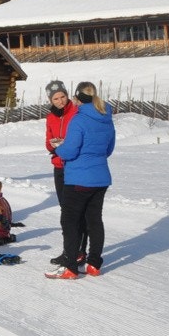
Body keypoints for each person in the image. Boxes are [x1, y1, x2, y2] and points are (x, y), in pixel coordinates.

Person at [47, 81, 115, 279]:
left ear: (77, 98)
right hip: (101, 177)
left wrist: (59, 148)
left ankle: (70, 266)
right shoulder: (106, 118)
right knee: (94, 220)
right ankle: (94, 264)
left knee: (69, 220)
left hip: (78, 177)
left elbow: (70, 151)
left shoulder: (79, 119)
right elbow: (108, 149)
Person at [43, 80, 84, 265]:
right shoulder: (50, 117)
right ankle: (70, 250)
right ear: (50, 100)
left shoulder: (76, 112)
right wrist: (54, 145)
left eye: (62, 96)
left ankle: (79, 250)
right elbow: (48, 141)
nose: (60, 101)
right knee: (65, 210)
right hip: (59, 166)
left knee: (76, 210)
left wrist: (66, 145)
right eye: (56, 98)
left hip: (74, 166)